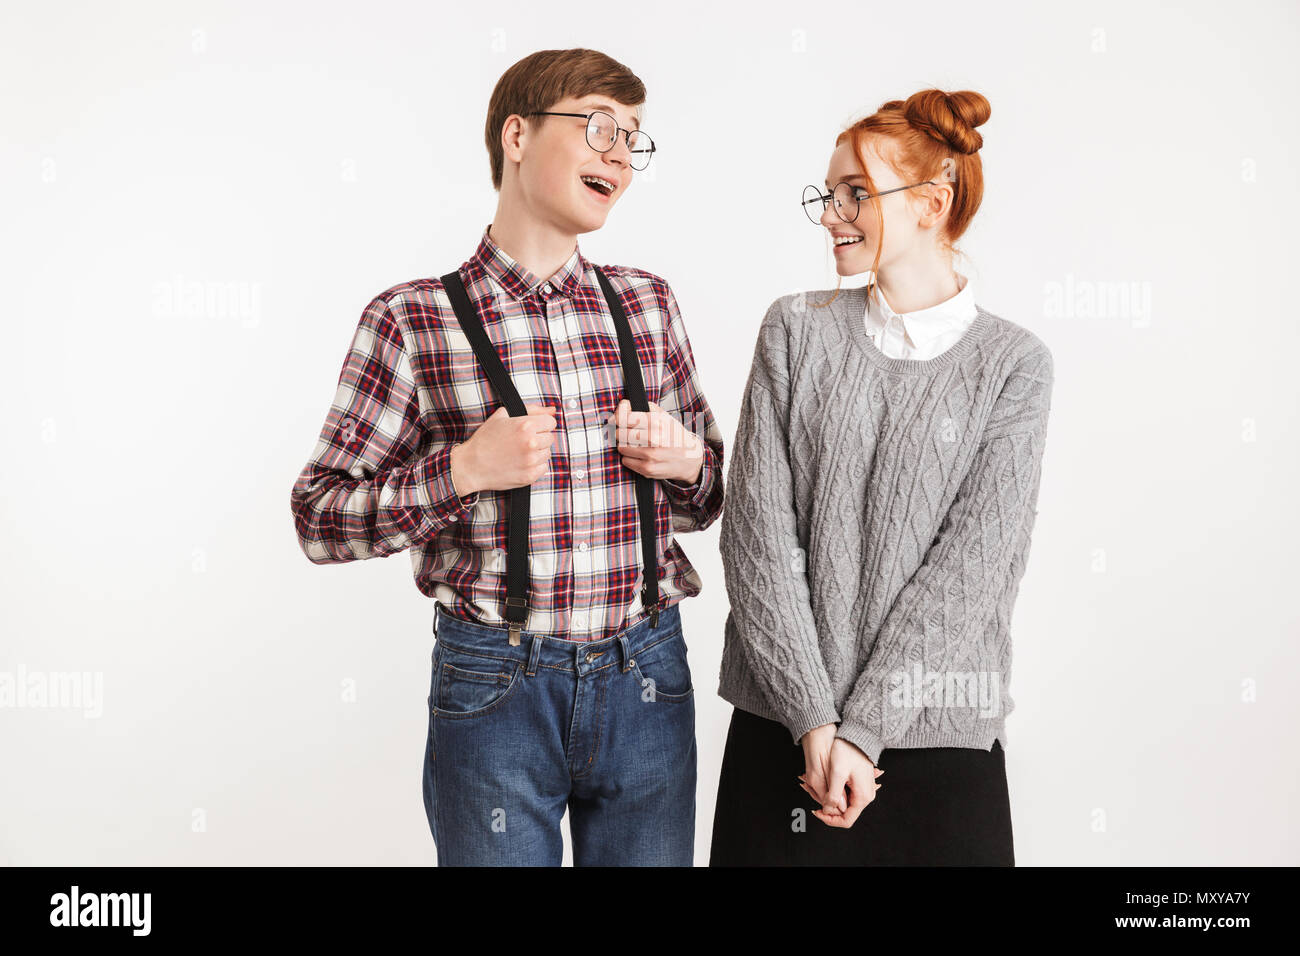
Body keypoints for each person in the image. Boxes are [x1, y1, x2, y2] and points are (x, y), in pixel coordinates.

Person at [289, 48, 724, 866]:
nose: (621, 155)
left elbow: (708, 498)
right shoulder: (412, 319)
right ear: (516, 135)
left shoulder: (648, 303)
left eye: (634, 139)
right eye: (600, 127)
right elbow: (318, 519)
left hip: (649, 676)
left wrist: (686, 464)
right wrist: (461, 472)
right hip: (495, 686)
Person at [710, 89, 1053, 866]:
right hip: (783, 744)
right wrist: (815, 724)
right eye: (827, 195)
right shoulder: (794, 328)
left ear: (932, 202)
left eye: (854, 194)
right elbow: (758, 536)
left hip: (937, 756)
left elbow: (972, 570)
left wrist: (863, 732)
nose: (831, 214)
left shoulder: (1013, 366)